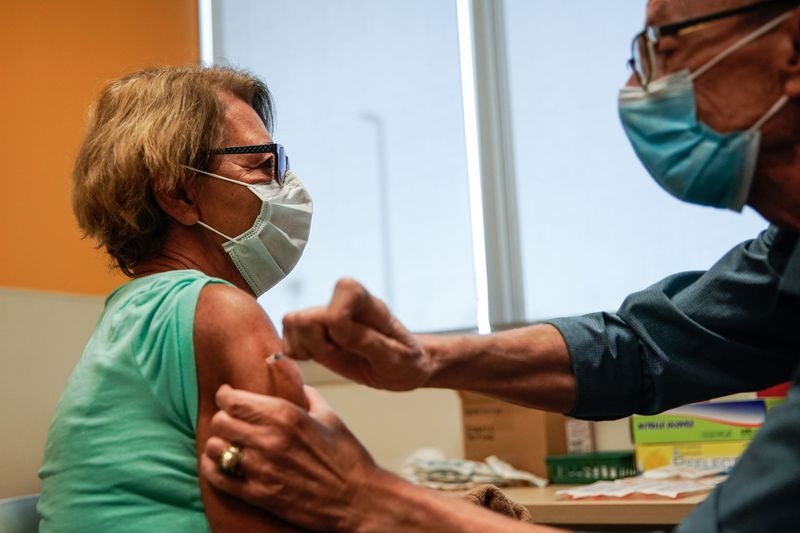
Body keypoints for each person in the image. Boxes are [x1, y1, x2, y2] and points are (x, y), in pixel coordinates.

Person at [200, 0, 800, 531]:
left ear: (791, 49)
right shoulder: (786, 255)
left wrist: (366, 498)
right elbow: (641, 349)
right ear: (175, 192)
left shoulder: (218, 313)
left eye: (665, 45)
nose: (640, 84)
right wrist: (425, 358)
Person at [38, 65, 314, 532]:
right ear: (178, 193)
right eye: (261, 166)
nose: (285, 186)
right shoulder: (220, 312)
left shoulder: (132, 312)